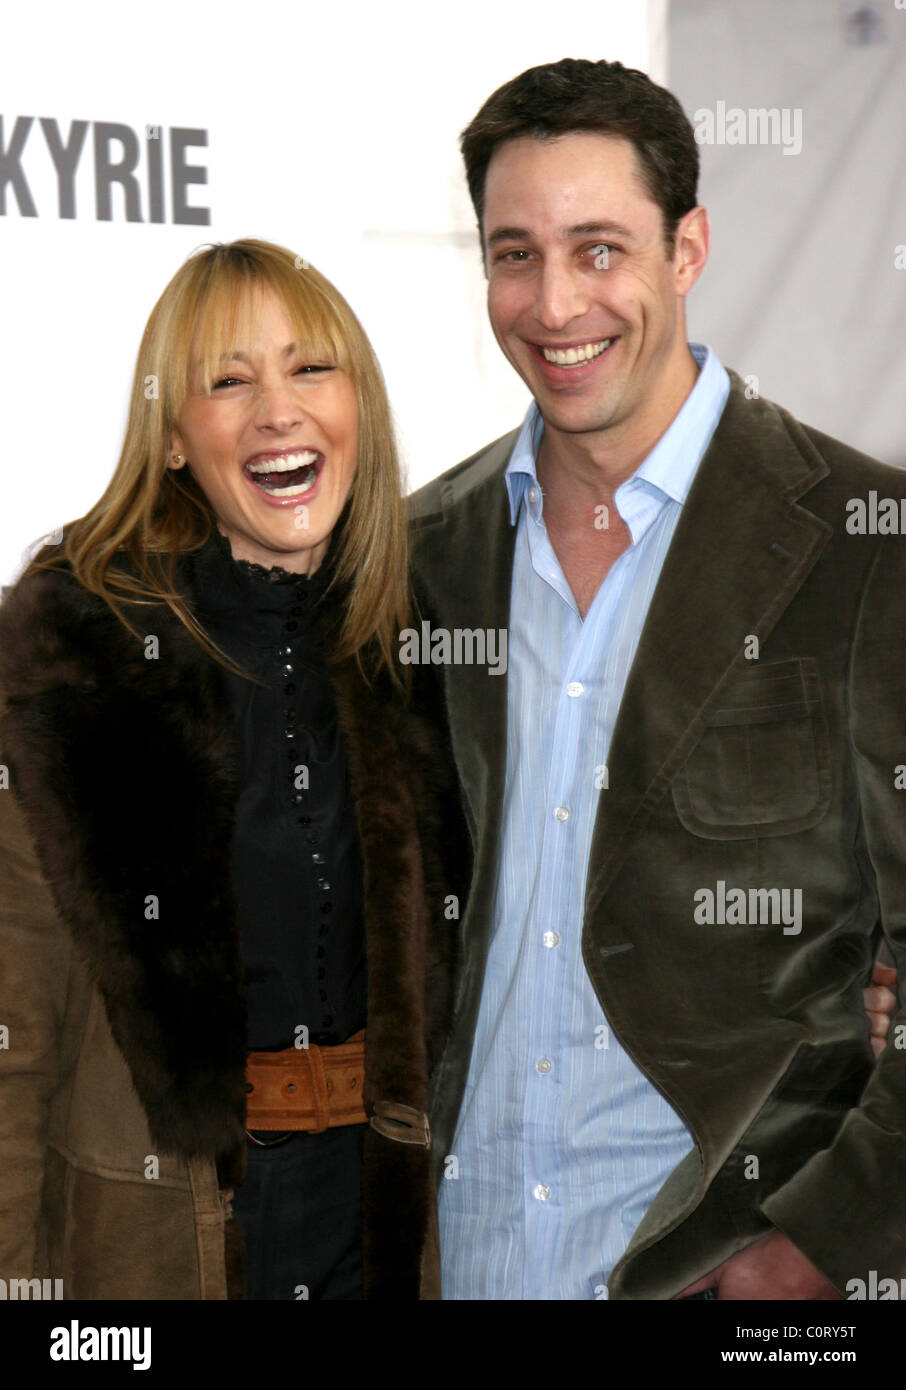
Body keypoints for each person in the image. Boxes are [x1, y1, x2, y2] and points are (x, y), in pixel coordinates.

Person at [408, 58, 906, 1300]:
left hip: (717, 1267)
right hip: (463, 1262)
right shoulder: (425, 558)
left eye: (599, 248)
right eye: (514, 253)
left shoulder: (861, 543)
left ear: (688, 249)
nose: (555, 300)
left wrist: (818, 1245)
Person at [0, 239, 467, 1300]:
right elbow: (11, 1039)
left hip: (388, 1218)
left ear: (361, 408)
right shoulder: (75, 657)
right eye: (227, 381)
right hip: (159, 1237)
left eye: (311, 369)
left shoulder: (422, 646)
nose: (278, 412)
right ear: (173, 439)